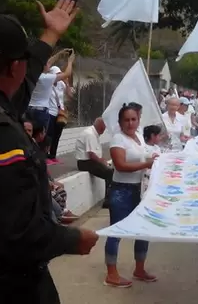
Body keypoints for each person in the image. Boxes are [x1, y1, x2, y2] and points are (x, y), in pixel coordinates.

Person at [0, 0, 98, 303]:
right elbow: (19, 232)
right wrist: (73, 239)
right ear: (13, 66)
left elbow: (24, 81)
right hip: (9, 286)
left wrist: (50, 35)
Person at [105, 104, 158, 288]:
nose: (130, 123)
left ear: (138, 120)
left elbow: (144, 157)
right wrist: (146, 164)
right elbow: (120, 165)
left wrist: (154, 158)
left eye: (133, 119)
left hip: (140, 189)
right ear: (120, 122)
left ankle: (139, 269)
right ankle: (111, 274)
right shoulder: (118, 139)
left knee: (143, 230)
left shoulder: (138, 138)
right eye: (126, 120)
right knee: (116, 232)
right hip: (122, 190)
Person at [27, 49, 74, 151]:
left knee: (30, 136)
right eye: (46, 64)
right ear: (43, 67)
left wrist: (59, 54)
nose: (49, 65)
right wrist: (70, 61)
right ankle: (41, 158)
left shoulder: (32, 75)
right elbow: (67, 74)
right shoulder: (46, 78)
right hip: (41, 111)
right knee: (42, 137)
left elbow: (48, 62)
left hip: (30, 109)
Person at [75, 118, 114, 208]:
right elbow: (91, 154)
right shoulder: (90, 134)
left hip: (89, 161)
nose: (104, 130)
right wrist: (102, 162)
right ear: (101, 127)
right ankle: (107, 201)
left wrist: (102, 161)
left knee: (110, 171)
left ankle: (110, 198)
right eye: (104, 128)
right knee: (109, 173)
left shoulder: (93, 133)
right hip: (85, 162)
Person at [47, 66, 72, 163]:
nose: (59, 76)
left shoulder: (61, 84)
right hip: (50, 112)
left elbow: (70, 95)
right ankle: (46, 156)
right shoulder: (48, 84)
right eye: (57, 74)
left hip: (59, 113)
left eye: (60, 74)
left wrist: (66, 82)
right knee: (49, 135)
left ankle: (53, 155)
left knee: (57, 135)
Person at [141, 125, 163, 196]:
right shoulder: (144, 148)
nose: (160, 138)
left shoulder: (157, 148)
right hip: (147, 180)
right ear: (153, 136)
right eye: (159, 135)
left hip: (156, 178)